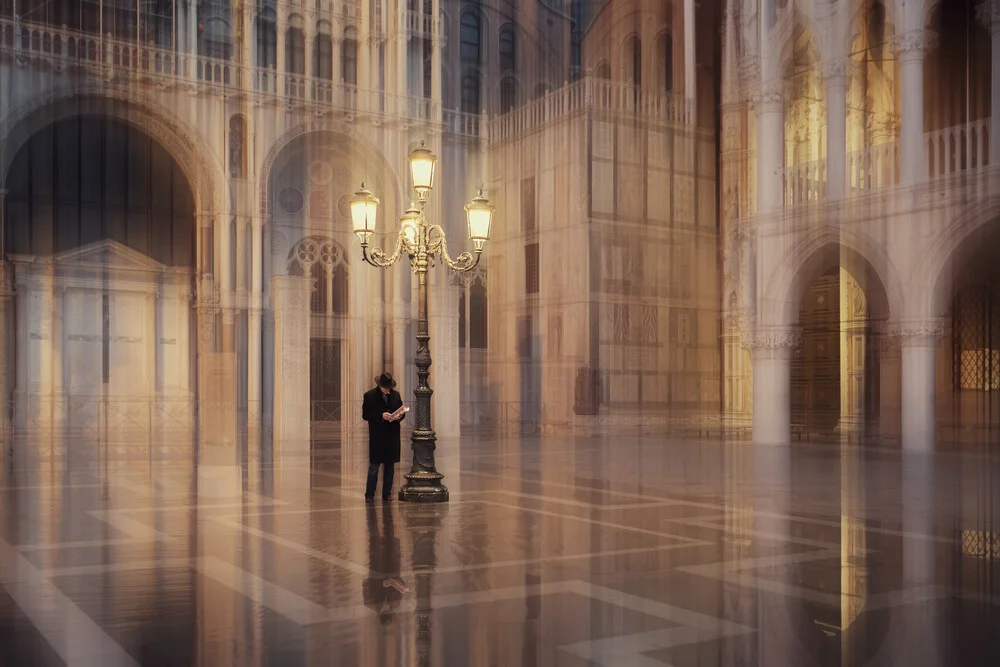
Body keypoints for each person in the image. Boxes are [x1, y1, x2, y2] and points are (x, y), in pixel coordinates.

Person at [362, 372, 406, 501]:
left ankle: (387, 493)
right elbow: (365, 415)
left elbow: (401, 411)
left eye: (389, 388)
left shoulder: (395, 395)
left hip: (392, 435)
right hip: (378, 436)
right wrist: (381, 416)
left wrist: (399, 416)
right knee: (374, 466)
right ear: (379, 385)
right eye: (385, 388)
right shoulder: (369, 396)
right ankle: (369, 494)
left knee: (390, 467)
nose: (387, 390)